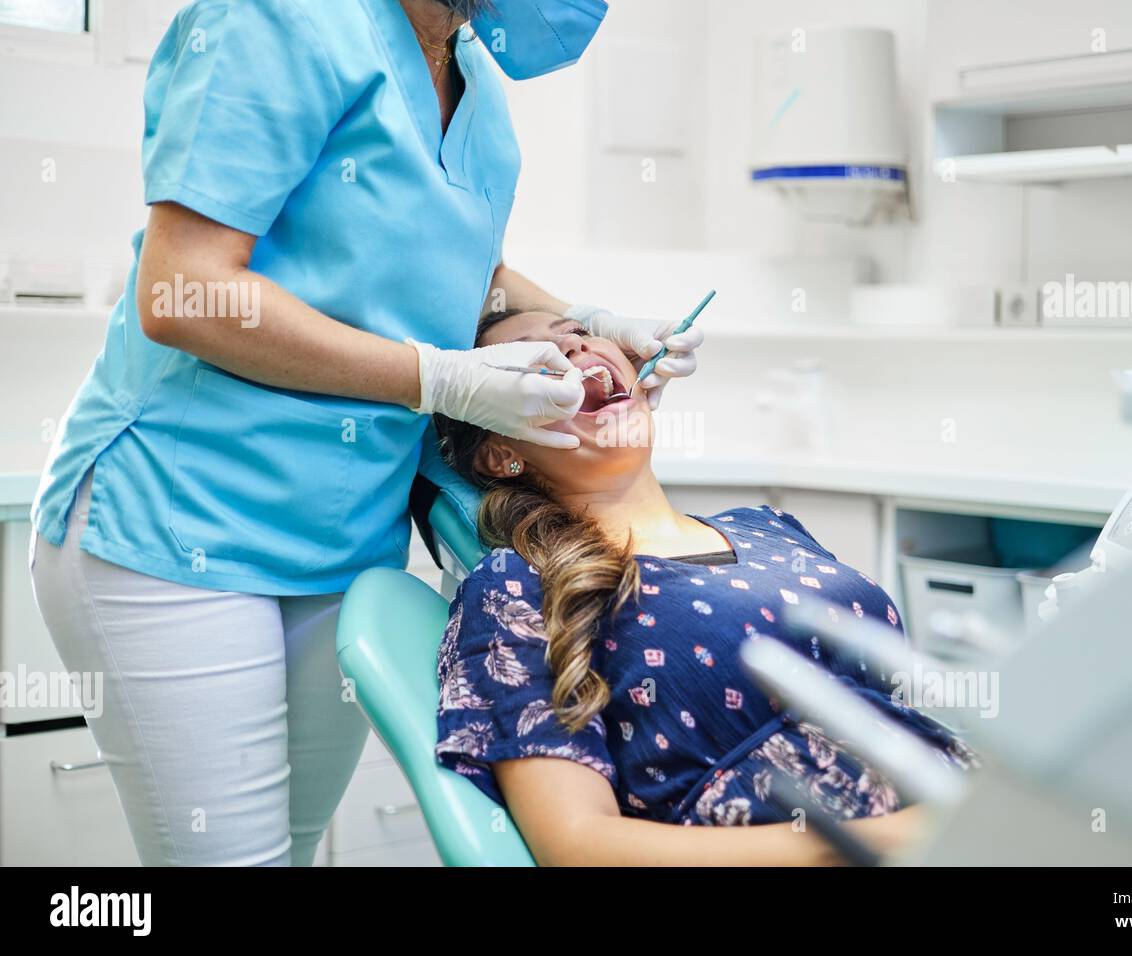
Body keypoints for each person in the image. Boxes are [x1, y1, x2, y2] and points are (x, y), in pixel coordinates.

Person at [28, 0, 702, 867]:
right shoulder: (281, 20)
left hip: (345, 540)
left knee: (293, 852)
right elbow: (181, 288)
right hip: (178, 520)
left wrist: (582, 315)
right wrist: (437, 376)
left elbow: (470, 274)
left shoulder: (478, 88)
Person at [433, 308, 976, 866]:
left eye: (578, 334)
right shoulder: (519, 584)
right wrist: (894, 838)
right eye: (534, 361)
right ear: (501, 454)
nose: (573, 352)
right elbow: (576, 846)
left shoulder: (767, 527)